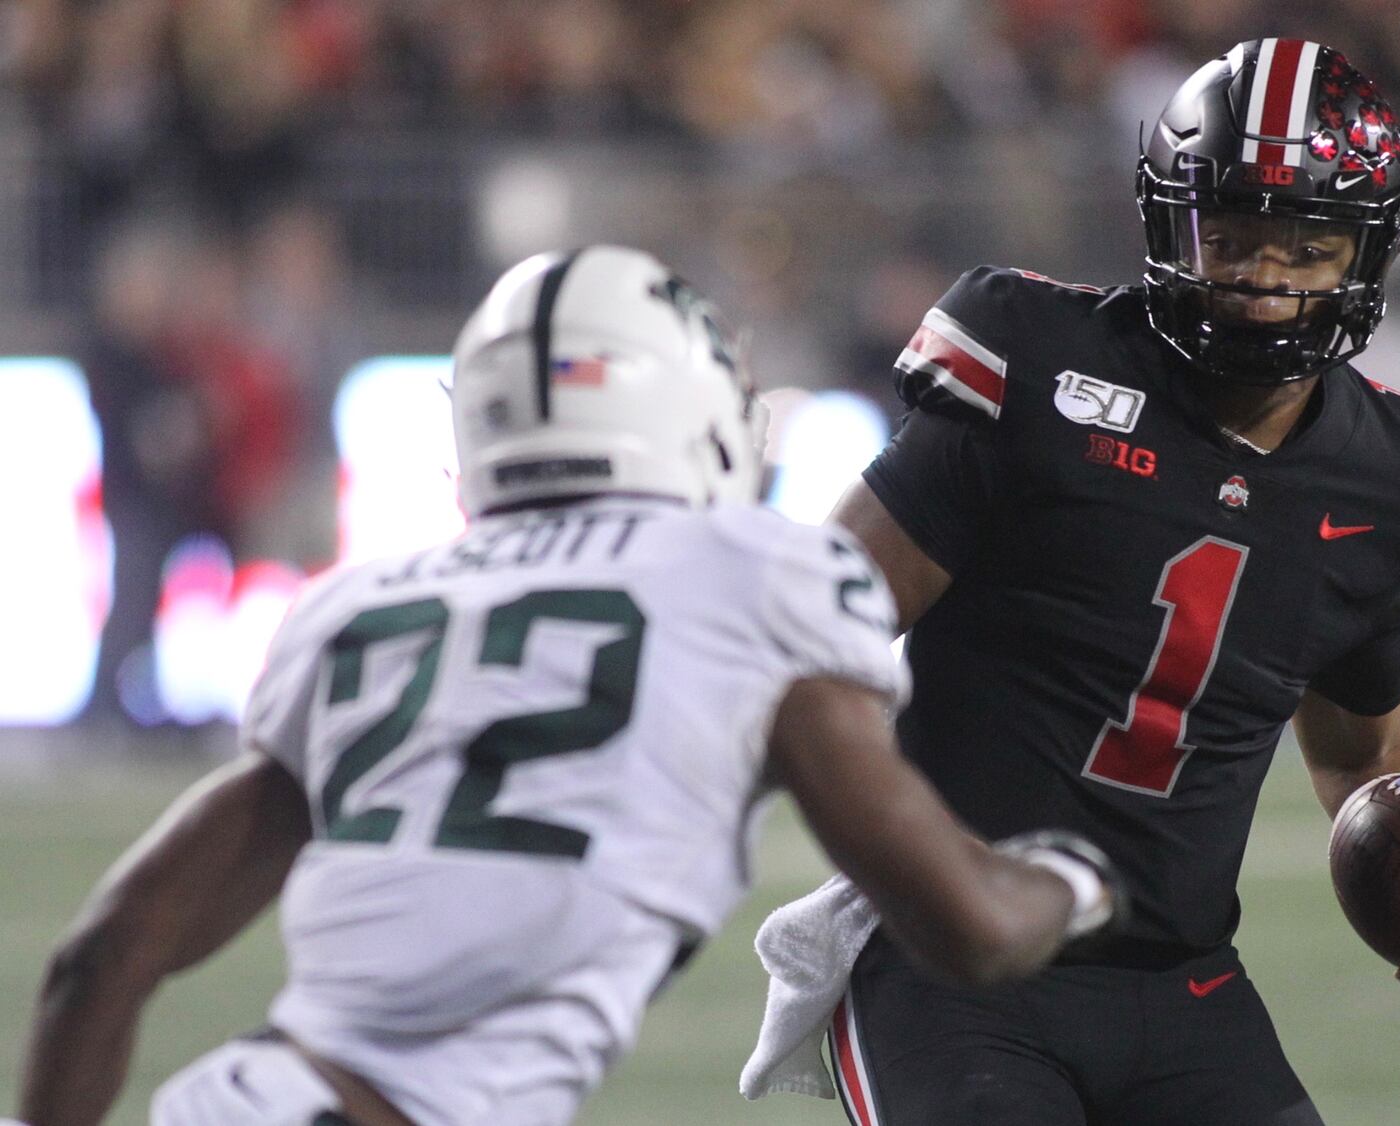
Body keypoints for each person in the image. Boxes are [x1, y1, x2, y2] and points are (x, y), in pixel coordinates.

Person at [14, 245, 1125, 1126]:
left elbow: (98, 959)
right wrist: (1079, 879)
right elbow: (971, 927)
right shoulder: (754, 581)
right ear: (692, 408)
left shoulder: (363, 610)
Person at [763, 39, 1400, 1125]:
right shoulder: (1032, 365)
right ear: (1166, 222)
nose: (1266, 278)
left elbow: (1368, 750)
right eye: (1229, 234)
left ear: (1367, 253)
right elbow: (809, 635)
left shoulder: (1398, 476)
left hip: (1181, 982)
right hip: (951, 963)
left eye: (1308, 243)